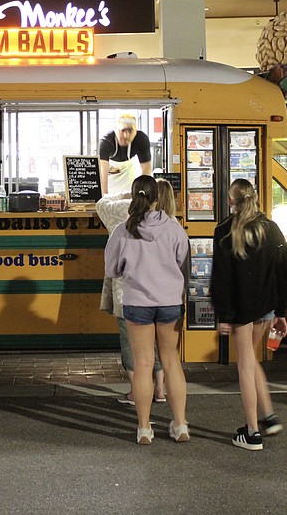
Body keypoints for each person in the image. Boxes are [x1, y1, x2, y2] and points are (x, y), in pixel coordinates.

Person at [104, 175, 190, 445]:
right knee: (171, 361)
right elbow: (185, 267)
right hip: (169, 303)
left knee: (142, 365)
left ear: (133, 196)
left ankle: (144, 428)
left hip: (137, 304)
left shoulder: (123, 229)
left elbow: (111, 269)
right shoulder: (174, 228)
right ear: (157, 198)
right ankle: (180, 424)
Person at [210, 179, 287, 451]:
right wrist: (281, 311)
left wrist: (222, 314)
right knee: (252, 359)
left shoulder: (224, 230)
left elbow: (221, 278)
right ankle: (268, 415)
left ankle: (252, 432)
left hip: (239, 308)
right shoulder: (271, 229)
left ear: (231, 201)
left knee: (245, 363)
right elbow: (285, 271)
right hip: (266, 306)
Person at [96, 187, 167, 406]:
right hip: (159, 293)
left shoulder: (118, 213)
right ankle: (161, 389)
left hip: (126, 295)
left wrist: (124, 194)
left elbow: (100, 203)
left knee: (130, 343)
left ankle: (137, 391)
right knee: (153, 340)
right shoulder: (164, 218)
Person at [98, 113, 152, 196]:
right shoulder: (106, 142)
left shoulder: (141, 140)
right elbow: (102, 172)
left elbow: (146, 170)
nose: (126, 136)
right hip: (109, 181)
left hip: (128, 180)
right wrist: (104, 196)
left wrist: (141, 194)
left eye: (130, 131)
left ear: (135, 131)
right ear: (116, 129)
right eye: (122, 131)